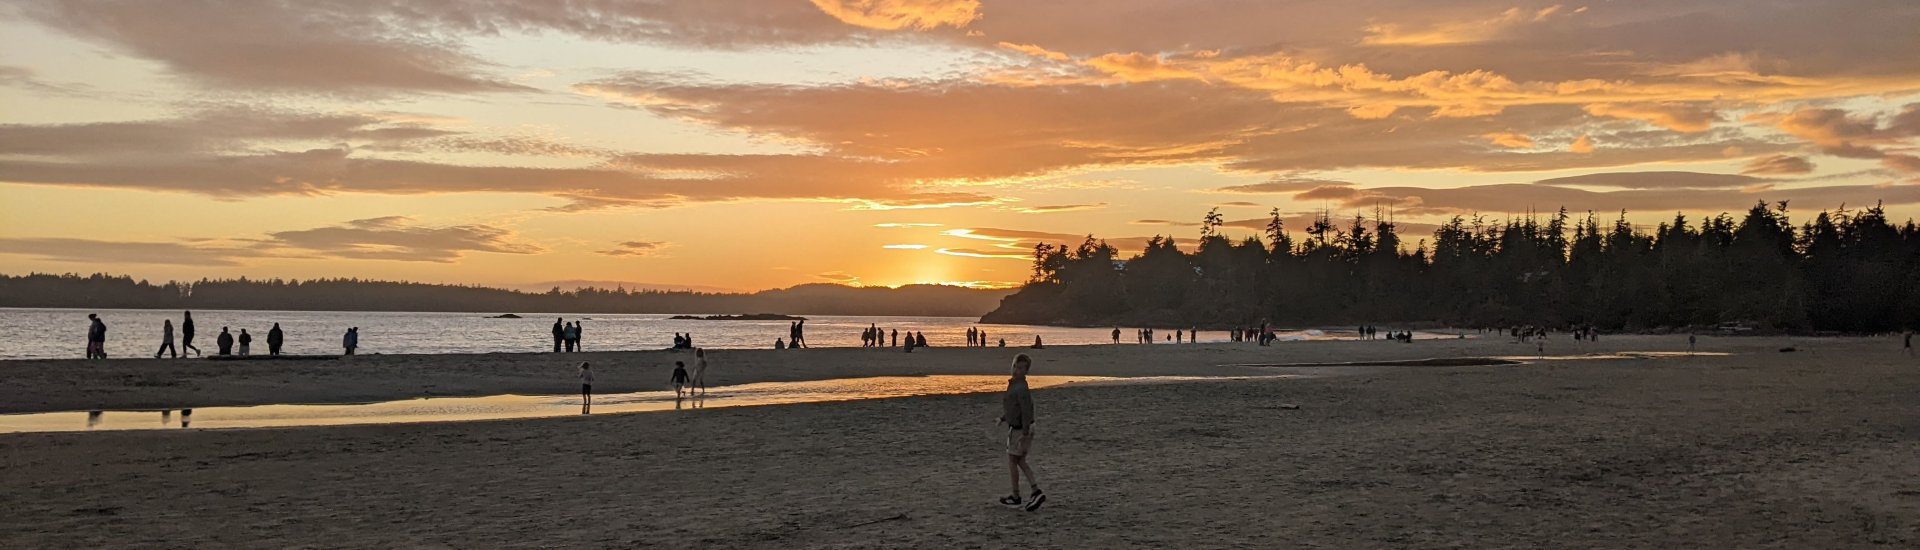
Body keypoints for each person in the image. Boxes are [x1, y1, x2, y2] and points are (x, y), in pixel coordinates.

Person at [997, 354, 1046, 511]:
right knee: (1019, 460)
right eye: (1015, 367)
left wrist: (1024, 433)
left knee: (1014, 460)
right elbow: (1013, 408)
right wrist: (1003, 418)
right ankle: (1031, 491)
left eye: (1020, 368)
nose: (1016, 370)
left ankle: (1021, 494)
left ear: (1026, 371)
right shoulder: (1015, 385)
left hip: (1021, 429)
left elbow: (1026, 411)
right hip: (1018, 427)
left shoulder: (1021, 388)